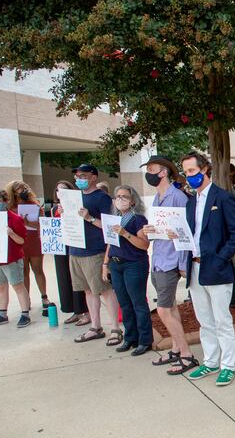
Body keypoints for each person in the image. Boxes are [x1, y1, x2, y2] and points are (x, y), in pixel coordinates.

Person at [181, 152, 235, 387]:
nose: (189, 176)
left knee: (222, 320)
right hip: (195, 268)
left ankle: (228, 365)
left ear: (205, 169)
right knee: (205, 320)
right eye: (186, 172)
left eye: (192, 171)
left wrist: (221, 257)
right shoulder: (191, 202)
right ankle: (210, 361)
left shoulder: (223, 198)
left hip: (217, 268)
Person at [140, 155, 199, 375]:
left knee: (163, 310)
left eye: (152, 169)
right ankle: (176, 348)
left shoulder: (178, 197)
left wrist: (183, 263)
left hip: (171, 261)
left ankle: (187, 354)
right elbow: (161, 229)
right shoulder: (157, 198)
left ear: (163, 172)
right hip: (158, 259)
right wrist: (150, 230)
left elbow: (186, 233)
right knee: (171, 307)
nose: (149, 173)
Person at [67, 163, 122, 346]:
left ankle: (115, 328)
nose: (79, 179)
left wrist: (89, 218)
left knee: (104, 289)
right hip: (76, 249)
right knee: (88, 290)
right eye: (77, 176)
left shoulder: (102, 198)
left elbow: (110, 227)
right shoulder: (74, 198)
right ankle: (95, 326)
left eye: (83, 176)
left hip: (95, 251)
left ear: (93, 177)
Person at [102, 185, 153, 356]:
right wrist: (105, 264)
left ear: (132, 200)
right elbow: (110, 243)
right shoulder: (114, 219)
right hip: (116, 265)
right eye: (117, 196)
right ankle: (130, 338)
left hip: (134, 264)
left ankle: (145, 340)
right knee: (124, 303)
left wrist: (125, 234)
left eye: (124, 196)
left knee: (138, 303)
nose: (120, 199)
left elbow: (144, 244)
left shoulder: (138, 219)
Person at [0, 190, 32, 328]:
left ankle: (25, 314)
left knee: (17, 285)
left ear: (5, 201)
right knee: (0, 286)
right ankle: (2, 314)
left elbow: (22, 240)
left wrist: (11, 233)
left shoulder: (15, 219)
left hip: (11, 257)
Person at [5, 180, 50, 316]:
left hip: (34, 240)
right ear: (13, 191)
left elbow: (43, 225)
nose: (23, 189)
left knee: (38, 270)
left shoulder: (35, 205)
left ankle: (44, 297)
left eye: (25, 187)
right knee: (24, 272)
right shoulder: (9, 207)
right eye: (19, 188)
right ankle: (27, 300)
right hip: (19, 242)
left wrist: (28, 222)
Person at [51, 181, 89, 325]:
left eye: (64, 190)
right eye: (58, 190)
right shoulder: (55, 208)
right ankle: (75, 311)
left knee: (78, 280)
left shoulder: (77, 205)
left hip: (74, 244)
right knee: (64, 279)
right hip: (60, 247)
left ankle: (85, 311)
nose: (60, 192)